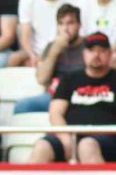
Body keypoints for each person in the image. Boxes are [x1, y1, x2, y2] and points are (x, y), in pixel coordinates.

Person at [29, 32, 116, 164]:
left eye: (102, 51)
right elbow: (55, 113)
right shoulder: (70, 79)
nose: (96, 55)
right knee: (42, 147)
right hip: (70, 134)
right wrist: (66, 138)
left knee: (87, 146)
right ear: (84, 54)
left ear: (109, 54)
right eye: (91, 51)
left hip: (108, 137)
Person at [15, 3, 84, 115]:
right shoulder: (52, 46)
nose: (66, 29)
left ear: (79, 25)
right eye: (61, 24)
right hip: (55, 96)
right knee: (22, 106)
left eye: (70, 23)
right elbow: (41, 78)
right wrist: (54, 51)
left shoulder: (87, 46)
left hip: (81, 95)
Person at [11, 0, 75, 68]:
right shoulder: (27, 0)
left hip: (62, 53)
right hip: (34, 53)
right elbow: (25, 36)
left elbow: (72, 37)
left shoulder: (74, 2)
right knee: (13, 59)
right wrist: (32, 56)